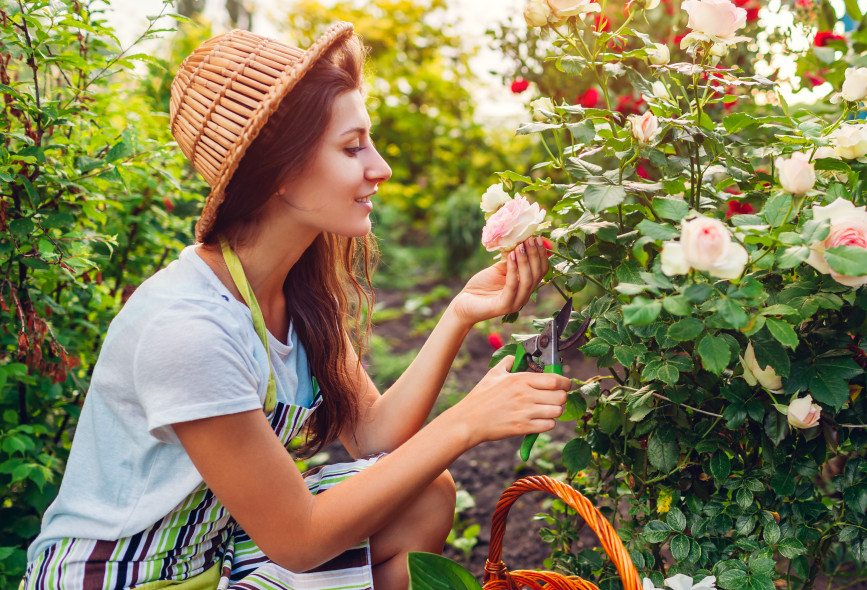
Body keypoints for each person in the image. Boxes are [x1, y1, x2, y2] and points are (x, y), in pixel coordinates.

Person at [22, 22, 570, 590]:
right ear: (281, 171)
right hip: (121, 578)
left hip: (214, 556)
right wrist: (465, 423)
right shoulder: (188, 328)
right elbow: (300, 540)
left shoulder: (289, 292)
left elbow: (374, 436)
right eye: (352, 147)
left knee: (423, 497)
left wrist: (459, 312)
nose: (378, 167)